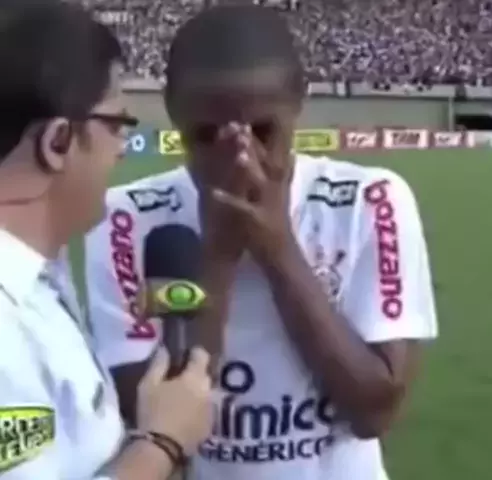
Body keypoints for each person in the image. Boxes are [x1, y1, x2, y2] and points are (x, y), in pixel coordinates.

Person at [82, 4, 438, 480]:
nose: (241, 157)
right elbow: (146, 417)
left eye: (264, 132)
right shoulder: (129, 218)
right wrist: (218, 257)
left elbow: (374, 412)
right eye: (207, 135)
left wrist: (278, 247)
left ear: (299, 99)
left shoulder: (369, 201)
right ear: (173, 111)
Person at [0, 2, 214, 478]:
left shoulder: (40, 274)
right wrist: (162, 441)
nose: (121, 149)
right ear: (57, 142)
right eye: (116, 125)